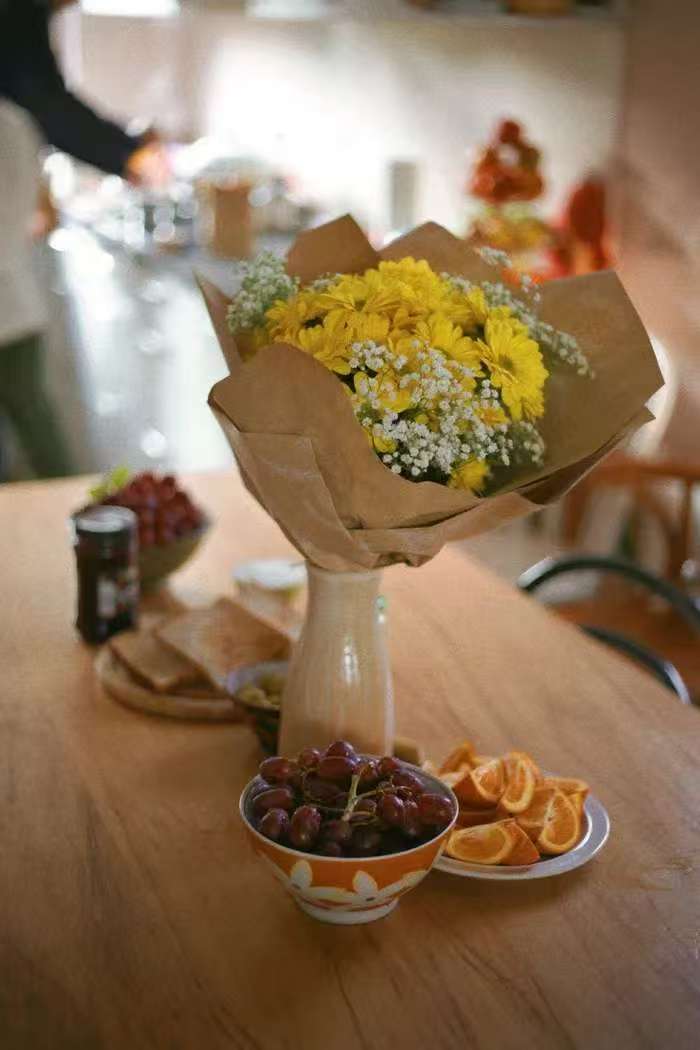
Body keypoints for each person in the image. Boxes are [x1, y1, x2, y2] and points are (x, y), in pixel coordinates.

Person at [0, 0, 169, 479]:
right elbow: (48, 105)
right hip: (9, 307)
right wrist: (128, 154)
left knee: (32, 417)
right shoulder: (16, 25)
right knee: (36, 422)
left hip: (12, 302)